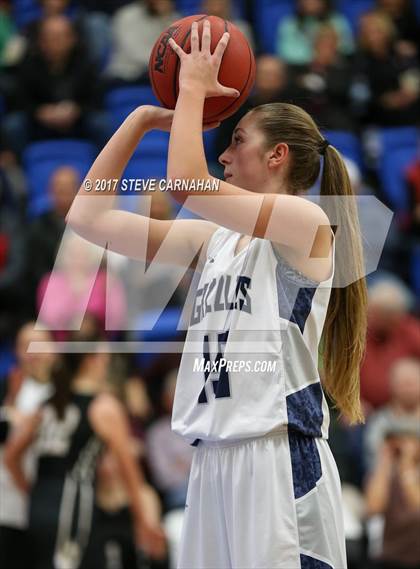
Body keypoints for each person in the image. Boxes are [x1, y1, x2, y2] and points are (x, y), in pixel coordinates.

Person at [66, 20, 368, 568]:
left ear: (277, 156)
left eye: (235, 141)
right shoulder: (215, 239)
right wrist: (137, 122)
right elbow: (87, 218)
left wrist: (191, 94)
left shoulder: (307, 222)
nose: (223, 156)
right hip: (211, 461)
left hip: (278, 459)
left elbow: (185, 181)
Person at [4, 326, 166, 569]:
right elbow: (130, 472)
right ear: (92, 360)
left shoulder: (49, 401)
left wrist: (32, 490)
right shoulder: (103, 406)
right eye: (105, 357)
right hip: (73, 505)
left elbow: (10, 456)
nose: (107, 363)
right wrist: (144, 521)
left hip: (39, 506)